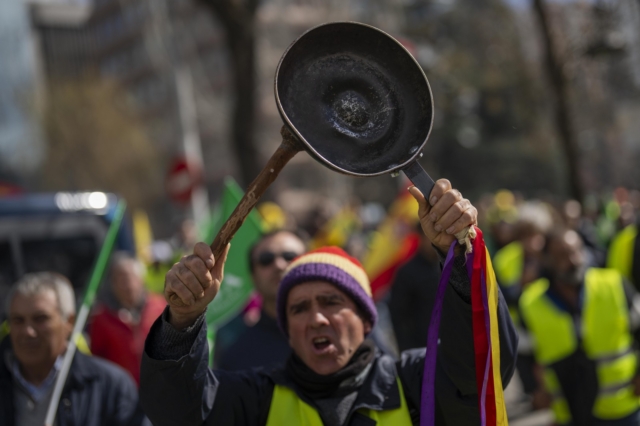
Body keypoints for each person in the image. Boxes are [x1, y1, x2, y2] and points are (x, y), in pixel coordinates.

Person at [140, 180, 517, 425]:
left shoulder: (417, 384)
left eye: (331, 301)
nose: (317, 318)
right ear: (287, 330)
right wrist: (182, 321)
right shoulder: (255, 398)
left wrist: (460, 254)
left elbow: (479, 366)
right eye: (299, 309)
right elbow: (180, 413)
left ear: (366, 318)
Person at [519, 227, 640, 425]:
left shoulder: (613, 283)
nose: (574, 261)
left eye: (576, 251)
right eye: (563, 256)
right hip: (569, 410)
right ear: (548, 260)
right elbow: (522, 354)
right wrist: (533, 390)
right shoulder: (531, 303)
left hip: (622, 406)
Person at [0, 272, 148, 426]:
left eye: (40, 319)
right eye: (18, 320)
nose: (28, 331)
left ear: (69, 322)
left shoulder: (111, 387)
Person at [214, 230, 306, 370]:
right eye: (266, 260)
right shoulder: (236, 356)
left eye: (290, 256)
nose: (279, 265)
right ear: (252, 276)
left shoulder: (334, 336)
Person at [89, 252, 166, 385]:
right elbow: (97, 359)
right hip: (123, 390)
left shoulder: (160, 307)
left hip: (160, 387)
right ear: (113, 283)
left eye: (131, 277)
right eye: (121, 279)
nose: (128, 284)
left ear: (141, 279)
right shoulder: (102, 319)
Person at [388, 223, 441, 352]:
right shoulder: (407, 272)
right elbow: (398, 316)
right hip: (420, 351)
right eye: (430, 236)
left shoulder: (450, 267)